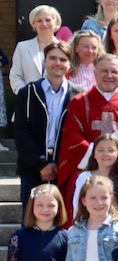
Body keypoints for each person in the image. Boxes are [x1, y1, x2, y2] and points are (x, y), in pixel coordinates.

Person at [57, 55, 118, 208]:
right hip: (87, 171)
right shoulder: (79, 102)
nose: (109, 75)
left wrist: (117, 159)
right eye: (104, 71)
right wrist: (100, 156)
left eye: (114, 72)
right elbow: (71, 136)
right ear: (95, 73)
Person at [15, 42, 79, 207]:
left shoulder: (78, 96)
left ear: (69, 64)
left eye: (63, 59)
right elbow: (21, 133)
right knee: (31, 216)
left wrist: (57, 164)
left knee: (62, 217)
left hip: (64, 169)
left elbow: (77, 135)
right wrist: (41, 164)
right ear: (45, 61)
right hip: (32, 168)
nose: (57, 63)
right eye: (52, 58)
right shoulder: (27, 93)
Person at [70, 134, 118, 216]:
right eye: (101, 150)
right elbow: (77, 207)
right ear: (94, 154)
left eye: (111, 150)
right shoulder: (84, 177)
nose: (106, 154)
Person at [11, 5, 63, 93]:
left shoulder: (64, 48)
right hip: (28, 98)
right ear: (34, 24)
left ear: (56, 22)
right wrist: (26, 94)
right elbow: (15, 76)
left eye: (48, 20)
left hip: (56, 98)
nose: (44, 24)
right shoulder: (22, 47)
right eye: (39, 21)